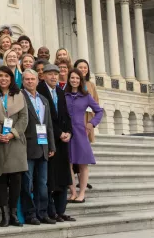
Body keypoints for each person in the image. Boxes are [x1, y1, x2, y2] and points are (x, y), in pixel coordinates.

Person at [0, 65, 28, 227]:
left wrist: (12, 133)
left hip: (15, 140)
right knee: (0, 179)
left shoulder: (19, 95)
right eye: (0, 76)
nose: (3, 79)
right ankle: (4, 214)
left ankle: (13, 213)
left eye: (6, 76)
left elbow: (24, 118)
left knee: (16, 179)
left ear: (11, 79)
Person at [21, 69, 56, 225]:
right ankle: (30, 214)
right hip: (27, 146)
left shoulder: (43, 100)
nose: (30, 81)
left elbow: (48, 125)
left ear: (37, 80)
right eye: (27, 79)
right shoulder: (20, 98)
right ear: (23, 81)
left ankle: (42, 212)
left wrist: (52, 145)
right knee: (27, 184)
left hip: (43, 147)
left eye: (32, 79)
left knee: (42, 183)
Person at [41, 63, 75, 223]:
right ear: (43, 75)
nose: (53, 76)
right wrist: (59, 133)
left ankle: (61, 210)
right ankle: (51, 211)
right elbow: (44, 119)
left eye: (56, 74)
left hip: (63, 141)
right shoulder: (40, 91)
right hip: (49, 140)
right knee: (50, 178)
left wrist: (68, 132)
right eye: (50, 74)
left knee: (63, 177)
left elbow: (66, 115)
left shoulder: (61, 92)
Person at [66, 69, 103, 204]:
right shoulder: (64, 95)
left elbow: (99, 111)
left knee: (83, 165)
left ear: (80, 81)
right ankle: (73, 192)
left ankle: (82, 193)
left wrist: (91, 123)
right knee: (67, 164)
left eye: (77, 78)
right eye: (72, 78)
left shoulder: (86, 96)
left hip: (81, 133)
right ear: (69, 79)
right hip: (67, 133)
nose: (74, 80)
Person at [73, 59, 100, 144]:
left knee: (87, 144)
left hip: (89, 117)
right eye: (80, 67)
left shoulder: (91, 84)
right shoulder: (72, 83)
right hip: (77, 118)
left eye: (85, 67)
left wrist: (93, 120)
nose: (83, 69)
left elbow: (96, 102)